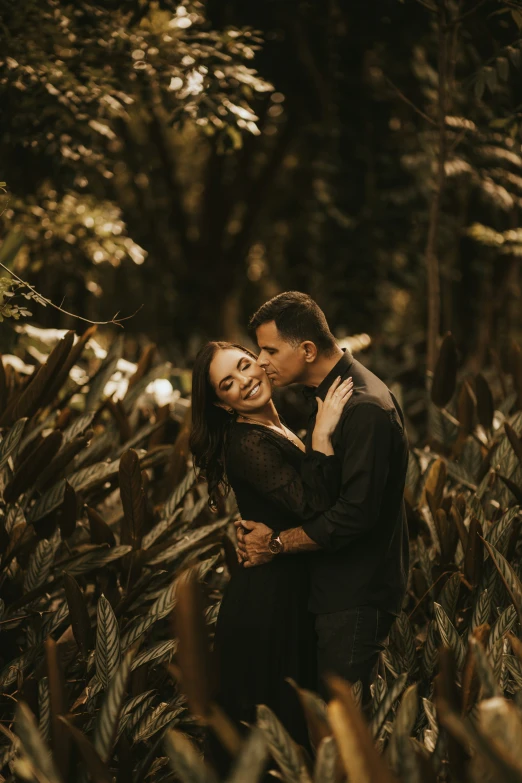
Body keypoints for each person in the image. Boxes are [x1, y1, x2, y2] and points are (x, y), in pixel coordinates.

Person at [236, 291, 409, 699]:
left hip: (355, 594)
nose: (261, 361)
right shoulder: (332, 397)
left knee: (342, 731)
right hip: (334, 591)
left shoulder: (364, 407)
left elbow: (353, 515)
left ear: (308, 350)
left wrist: (275, 543)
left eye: (269, 350)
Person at [189, 341, 352, 753]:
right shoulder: (247, 443)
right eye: (228, 383)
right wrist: (321, 432)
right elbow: (313, 506)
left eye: (245, 365)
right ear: (223, 404)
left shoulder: (275, 426)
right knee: (271, 736)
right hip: (268, 605)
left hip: (290, 590)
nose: (245, 380)